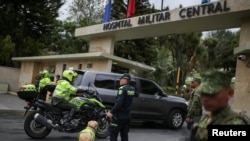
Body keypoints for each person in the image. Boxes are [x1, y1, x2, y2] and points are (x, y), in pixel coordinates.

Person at [191, 70, 248, 141]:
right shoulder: (206, 118)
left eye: (211, 93)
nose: (205, 99)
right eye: (203, 93)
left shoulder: (235, 123)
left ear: (229, 93)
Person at [106, 73, 137, 141]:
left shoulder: (122, 89)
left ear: (126, 80)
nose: (120, 80)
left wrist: (111, 112)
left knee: (113, 134)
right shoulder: (132, 89)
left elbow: (119, 103)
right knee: (124, 135)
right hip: (127, 116)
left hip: (118, 116)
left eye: (122, 79)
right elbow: (137, 94)